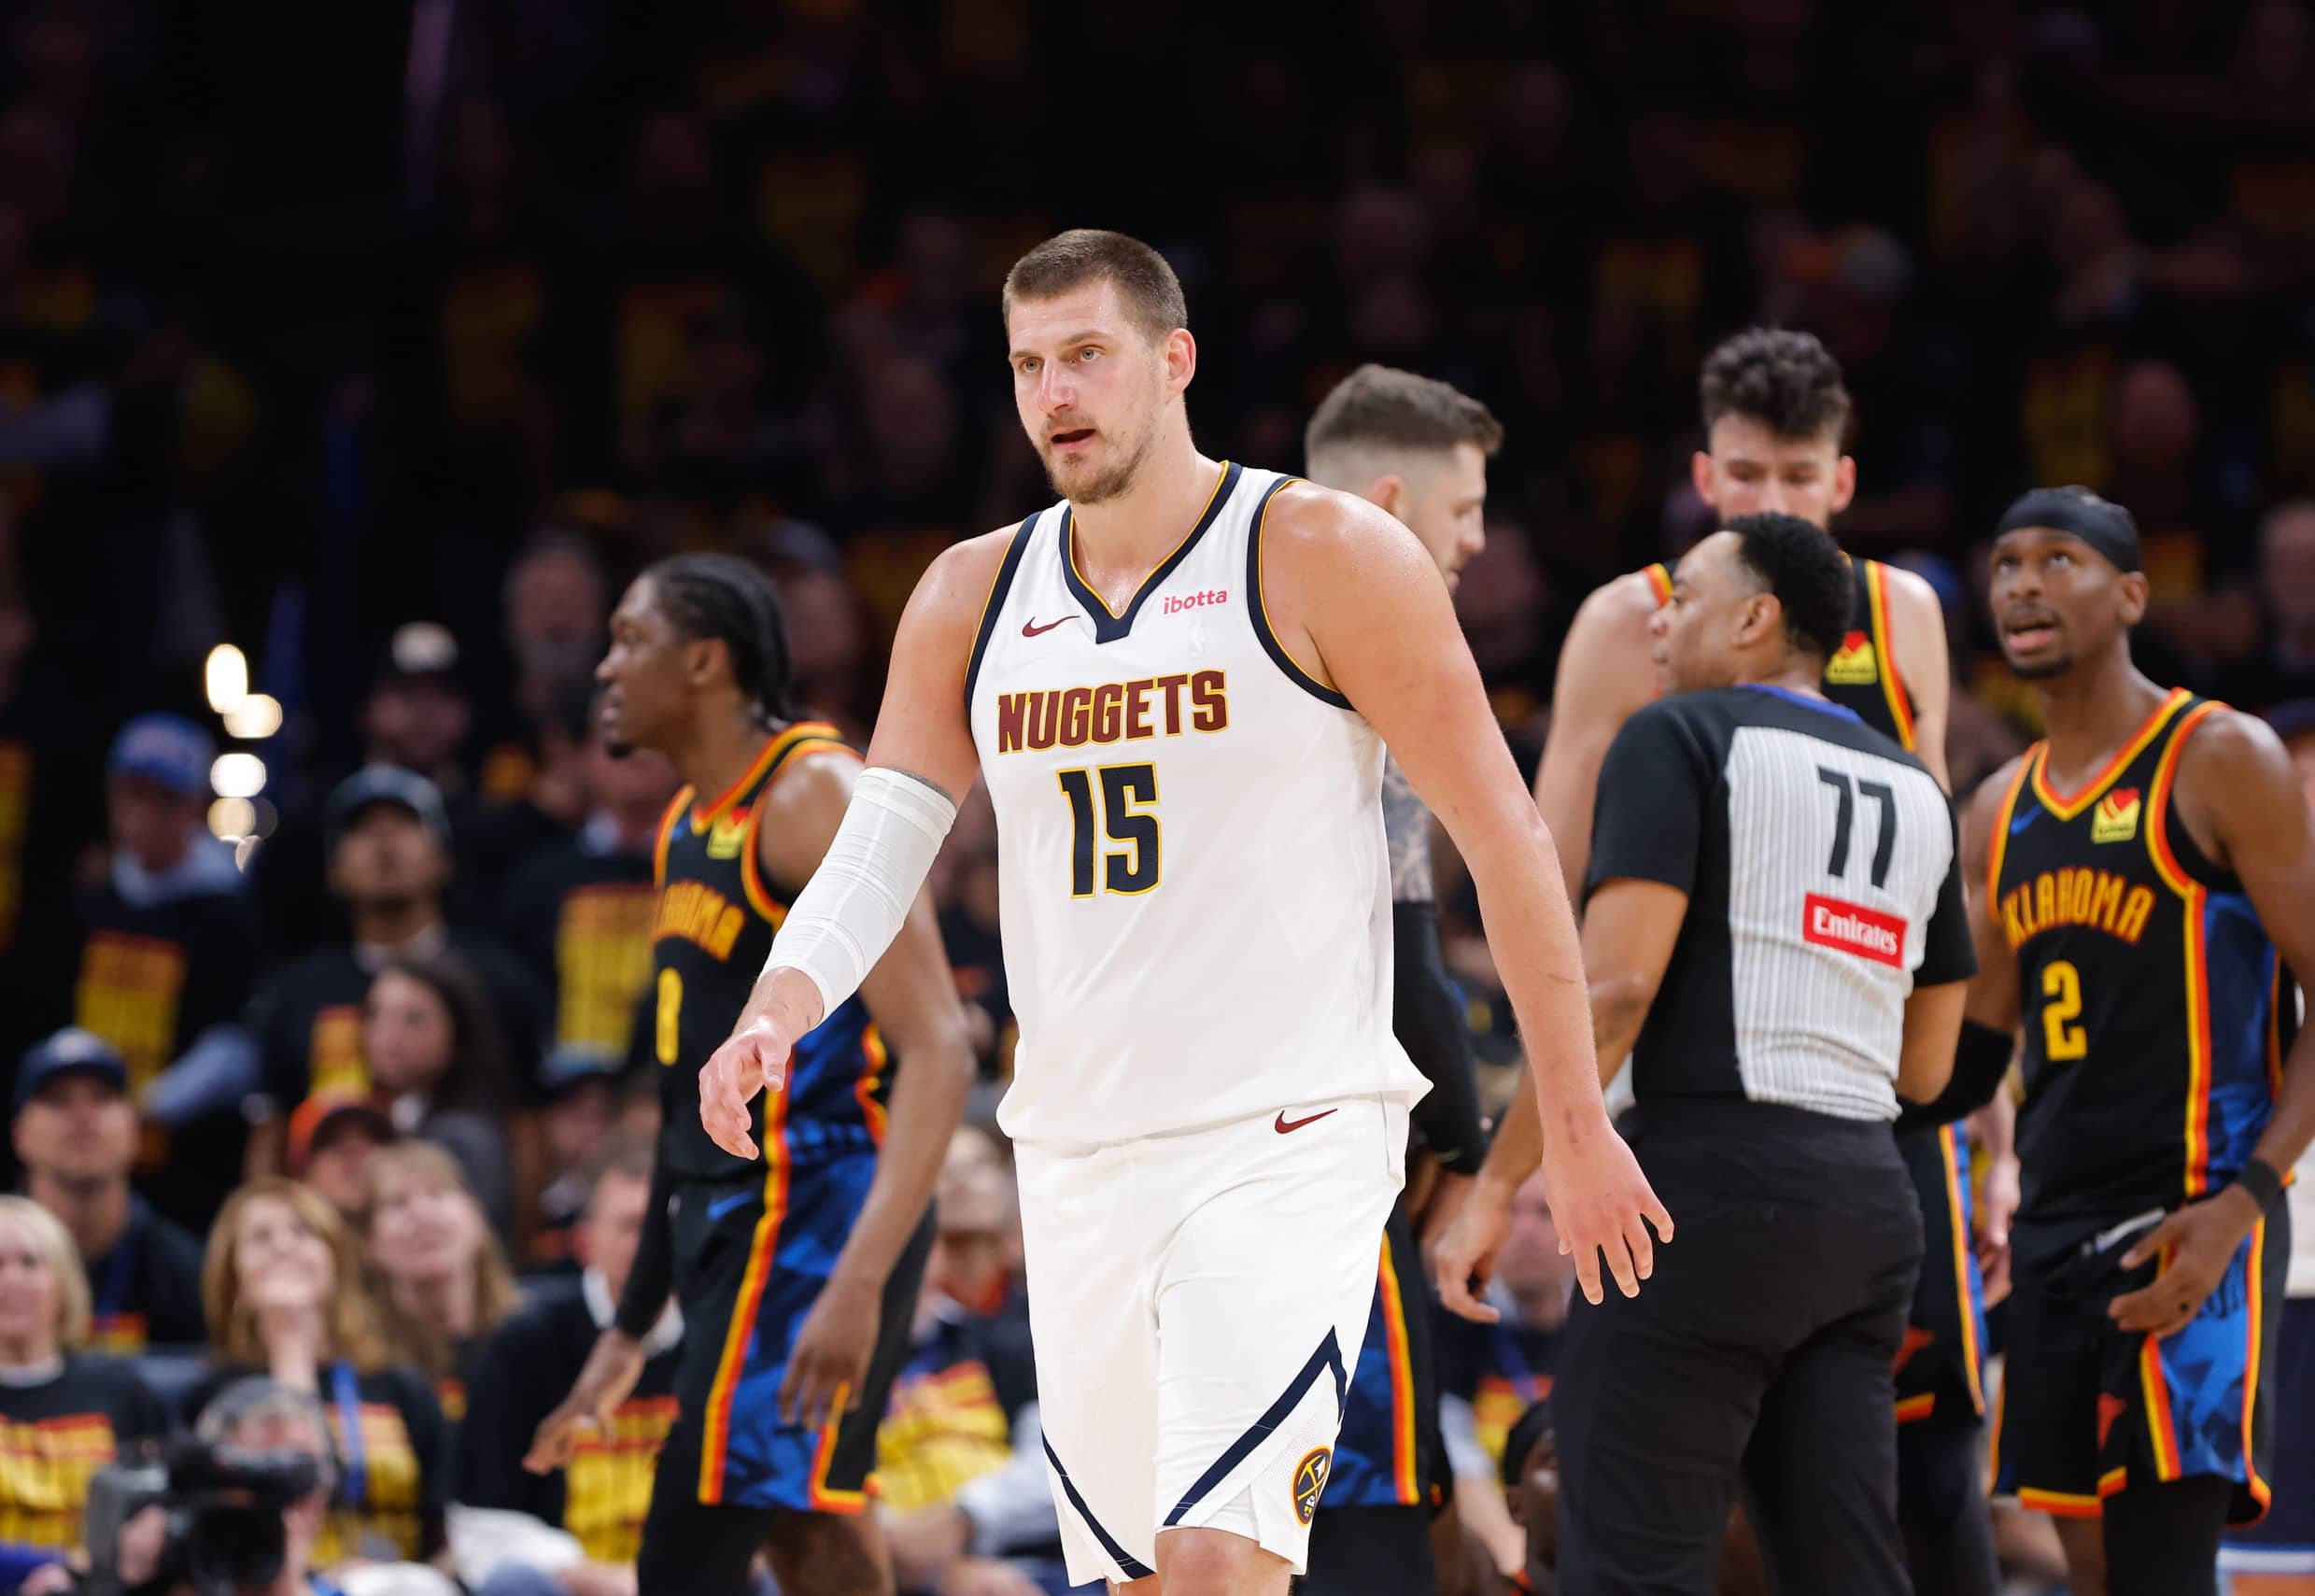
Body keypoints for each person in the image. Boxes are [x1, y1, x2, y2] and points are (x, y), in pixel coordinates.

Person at [696, 229, 1663, 1596]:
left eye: (1087, 354)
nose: (1054, 393)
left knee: (1216, 1560)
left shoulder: (1323, 549)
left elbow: (1504, 841)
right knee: (1147, 1578)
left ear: (1174, 360)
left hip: (1285, 1134)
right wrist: (776, 1004)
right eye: (1028, 365)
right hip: (1076, 1154)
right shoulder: (971, 591)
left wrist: (1569, 1124)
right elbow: (880, 844)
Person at [1435, 326, 2005, 1596]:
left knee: (1629, 1555)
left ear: (1753, 615)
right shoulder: (1916, 787)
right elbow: (1932, 1056)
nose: (1662, 619)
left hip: (1702, 1169)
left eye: (1685, 601)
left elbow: (1613, 982)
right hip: (1872, 1185)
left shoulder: (1682, 729)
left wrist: (1502, 1175)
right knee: (1854, 1558)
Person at [528, 551, 973, 1596]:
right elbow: (680, 1110)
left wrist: (860, 1281)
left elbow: (938, 1047)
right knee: (807, 1534)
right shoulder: (688, 823)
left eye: (630, 638)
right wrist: (630, 1326)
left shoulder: (815, 790)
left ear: (704, 662)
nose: (604, 666)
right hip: (733, 1218)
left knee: (685, 1552)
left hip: (815, 1213)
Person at [1940, 487, 2315, 1596]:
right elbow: (1963, 1062)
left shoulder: (2220, 754)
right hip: (2053, 1231)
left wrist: (2244, 1202)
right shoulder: (1997, 807)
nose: (2022, 584)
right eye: (2006, 564)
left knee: (2163, 1572)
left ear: (2133, 595)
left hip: (2190, 1216)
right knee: (2092, 1576)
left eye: (2058, 559)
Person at [1297, 362, 1501, 1596]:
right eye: (1463, 507)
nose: (1474, 539)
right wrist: (1466, 1147)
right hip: (1318, 1163)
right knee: (1365, 1522)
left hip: (1157, 1168)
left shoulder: (1184, 639)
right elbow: (1407, 945)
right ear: (1387, 505)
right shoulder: (1365, 661)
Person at [245, 766, 544, 1180]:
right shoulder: (294, 994)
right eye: (363, 830)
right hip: (325, 1212)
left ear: (443, 858)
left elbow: (527, 1128)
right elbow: (269, 1138)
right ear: (333, 870)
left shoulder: (498, 983)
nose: (384, 843)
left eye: (404, 825)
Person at [455, 1137, 684, 1596]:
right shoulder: (523, 1342)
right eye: (632, 1226)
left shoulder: (723, 1337)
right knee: (512, 1584)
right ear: (584, 1244)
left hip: (694, 1579)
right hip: (574, 1585)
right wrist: (608, 1581)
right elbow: (482, 1528)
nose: (652, 1246)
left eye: (667, 1227)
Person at [187, 1179, 450, 1571]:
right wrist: (289, 1346)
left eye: (303, 1231)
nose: (283, 1246)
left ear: (336, 1263)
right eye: (261, 1237)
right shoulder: (214, 1398)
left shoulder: (400, 1386)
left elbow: (447, 1539)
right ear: (233, 1277)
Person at [68, 711, 262, 1222]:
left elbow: (235, 1044)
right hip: (86, 1141)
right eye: (133, 793)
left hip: (184, 1163)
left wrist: (145, 1106)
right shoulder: (91, 899)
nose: (146, 813)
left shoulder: (228, 912)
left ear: (196, 805)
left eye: (165, 798)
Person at [0, 1194, 170, 1591]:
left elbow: (165, 1502)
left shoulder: (122, 1389)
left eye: (30, 1262)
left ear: (63, 1282)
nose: (11, 1280)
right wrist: (59, 1568)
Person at [13, 1027, 205, 1350]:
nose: (83, 1117)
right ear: (19, 1134)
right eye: (58, 1100)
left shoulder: (184, 1271)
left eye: (103, 1098)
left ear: (134, 1131)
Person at [1429, 1173, 1571, 1581]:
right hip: (1490, 1540)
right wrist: (1516, 1565)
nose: (1525, 1232)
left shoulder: (1606, 1318)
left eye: (1545, 1212)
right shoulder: (1451, 1317)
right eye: (1510, 1211)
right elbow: (1456, 1453)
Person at [360, 953, 521, 1240]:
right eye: (375, 1014)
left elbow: (472, 1247)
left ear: (458, 1029)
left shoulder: (463, 1139)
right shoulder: (402, 1111)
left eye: (413, 1019)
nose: (386, 1035)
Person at [361, 1140, 522, 1426]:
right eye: (397, 1202)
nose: (422, 1214)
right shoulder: (361, 1366)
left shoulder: (531, 1338)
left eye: (438, 1193)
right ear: (369, 1244)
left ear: (478, 1219)